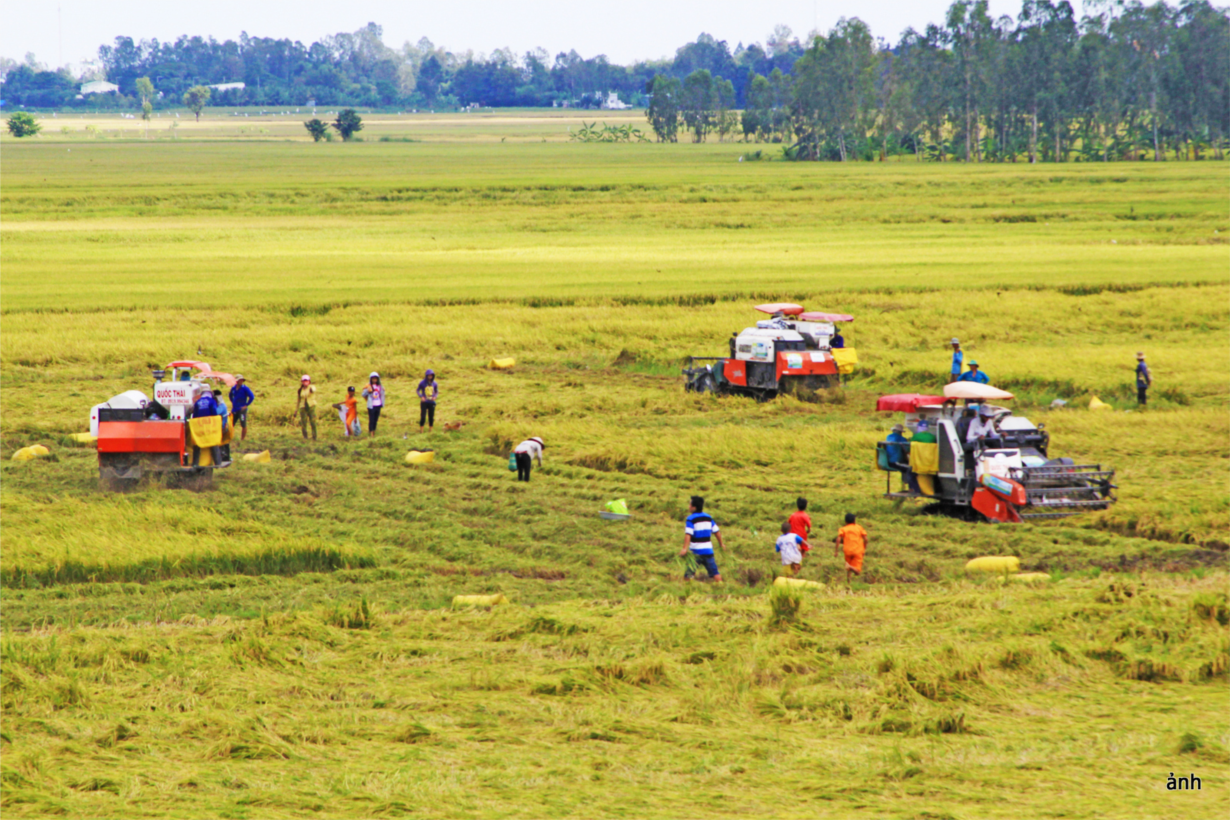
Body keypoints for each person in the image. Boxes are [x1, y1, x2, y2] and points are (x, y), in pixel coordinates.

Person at [680, 495, 724, 582]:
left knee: (688, 575)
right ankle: (721, 586)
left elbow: (688, 534)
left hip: (696, 552)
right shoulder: (708, 517)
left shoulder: (690, 519)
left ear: (694, 507)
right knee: (715, 573)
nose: (689, 507)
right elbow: (716, 531)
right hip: (708, 551)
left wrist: (684, 549)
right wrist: (721, 544)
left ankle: (687, 589)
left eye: (690, 505)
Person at [189, 386, 224, 468]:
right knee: (213, 442)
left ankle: (195, 463)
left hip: (200, 426)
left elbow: (195, 415)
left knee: (197, 443)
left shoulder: (198, 402)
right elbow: (214, 413)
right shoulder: (212, 401)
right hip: (209, 426)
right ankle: (218, 462)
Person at [834, 513, 869, 585]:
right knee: (857, 572)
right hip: (858, 550)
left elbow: (838, 539)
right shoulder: (859, 527)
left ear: (846, 521)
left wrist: (836, 551)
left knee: (849, 570)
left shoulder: (843, 529)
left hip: (847, 550)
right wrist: (864, 547)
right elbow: (866, 539)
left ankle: (848, 582)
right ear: (854, 521)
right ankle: (850, 567)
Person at [229, 375, 255, 440]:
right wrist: (233, 402)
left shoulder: (245, 388)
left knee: (243, 424)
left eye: (241, 380)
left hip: (241, 410)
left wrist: (246, 405)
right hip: (234, 409)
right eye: (239, 380)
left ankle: (242, 439)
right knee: (231, 424)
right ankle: (229, 437)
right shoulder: (233, 388)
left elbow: (251, 397)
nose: (241, 381)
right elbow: (230, 395)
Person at [297, 375, 317, 441]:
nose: (305, 382)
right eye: (304, 381)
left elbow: (314, 390)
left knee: (313, 421)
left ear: (309, 381)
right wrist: (296, 410)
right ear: (302, 382)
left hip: (311, 406)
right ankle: (305, 436)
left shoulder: (311, 387)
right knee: (303, 422)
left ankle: (314, 436)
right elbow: (298, 400)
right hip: (303, 407)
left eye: (307, 380)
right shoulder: (300, 390)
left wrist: (310, 388)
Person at [417, 369, 438, 434]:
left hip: (431, 402)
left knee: (431, 416)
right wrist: (421, 396)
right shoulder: (422, 383)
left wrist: (435, 396)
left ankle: (430, 430)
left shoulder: (434, 383)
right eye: (429, 375)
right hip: (424, 402)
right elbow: (418, 390)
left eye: (431, 375)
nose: (430, 376)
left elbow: (436, 391)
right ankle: (421, 430)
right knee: (423, 416)